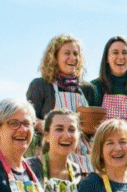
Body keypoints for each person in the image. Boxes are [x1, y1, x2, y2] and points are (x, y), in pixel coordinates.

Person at [25, 34, 95, 171]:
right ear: (54, 57)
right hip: (50, 153)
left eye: (76, 54)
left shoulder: (87, 89)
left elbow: (92, 124)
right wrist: (45, 125)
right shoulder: (40, 85)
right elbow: (28, 120)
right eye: (67, 53)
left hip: (84, 156)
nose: (72, 58)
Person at [89, 35, 127, 128]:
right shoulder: (95, 87)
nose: (120, 57)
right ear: (107, 58)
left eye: (125, 52)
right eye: (115, 52)